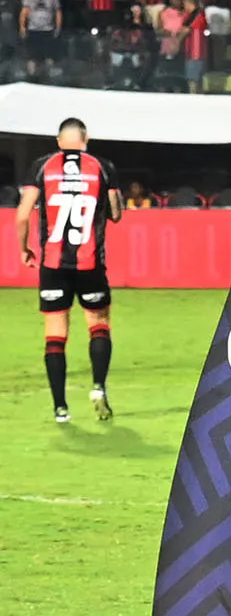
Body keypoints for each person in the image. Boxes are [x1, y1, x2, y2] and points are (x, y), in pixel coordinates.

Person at [17, 118, 120, 424]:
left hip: (52, 265)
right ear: (85, 138)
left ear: (60, 141)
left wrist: (24, 249)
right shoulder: (102, 166)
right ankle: (99, 388)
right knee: (99, 324)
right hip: (90, 263)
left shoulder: (41, 166)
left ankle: (60, 407)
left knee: (55, 334)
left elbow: (23, 215)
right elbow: (115, 213)